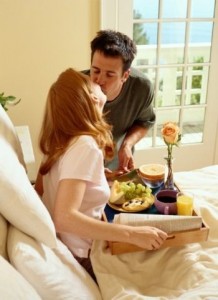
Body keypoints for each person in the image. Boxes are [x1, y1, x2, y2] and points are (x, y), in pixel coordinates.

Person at [35, 68, 167, 280]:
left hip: (68, 245)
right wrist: (133, 235)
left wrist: (96, 178)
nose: (99, 81)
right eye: (93, 80)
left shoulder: (59, 139)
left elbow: (42, 188)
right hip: (83, 255)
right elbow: (64, 217)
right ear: (93, 98)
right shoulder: (84, 146)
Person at [83, 29, 156, 177]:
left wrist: (127, 145)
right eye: (95, 70)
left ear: (125, 75)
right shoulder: (76, 88)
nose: (100, 80)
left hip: (117, 171)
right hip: (80, 169)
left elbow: (144, 122)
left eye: (110, 74)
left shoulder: (142, 87)